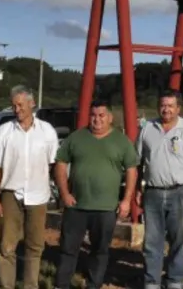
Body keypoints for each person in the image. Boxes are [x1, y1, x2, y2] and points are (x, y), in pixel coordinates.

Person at [53, 99, 139, 289]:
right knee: (68, 249)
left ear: (110, 118)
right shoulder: (76, 138)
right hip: (76, 206)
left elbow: (132, 170)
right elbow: (60, 164)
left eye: (101, 115)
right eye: (93, 115)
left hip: (106, 208)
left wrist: (126, 200)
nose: (97, 119)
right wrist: (64, 193)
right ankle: (62, 284)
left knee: (99, 251)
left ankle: (94, 284)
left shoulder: (121, 141)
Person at [0, 85, 60, 289]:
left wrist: (59, 192)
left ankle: (30, 285)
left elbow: (55, 165)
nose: (17, 110)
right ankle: (6, 285)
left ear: (32, 104)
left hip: (38, 195)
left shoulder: (47, 131)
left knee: (35, 246)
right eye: (14, 106)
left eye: (20, 105)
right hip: (10, 195)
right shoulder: (3, 132)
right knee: (7, 247)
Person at [135, 89, 183, 289]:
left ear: (178, 108)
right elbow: (138, 162)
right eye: (163, 105)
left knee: (178, 239)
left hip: (179, 192)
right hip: (153, 192)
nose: (166, 110)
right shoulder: (147, 129)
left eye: (170, 106)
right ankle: (152, 281)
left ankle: (174, 280)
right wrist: (139, 189)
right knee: (152, 241)